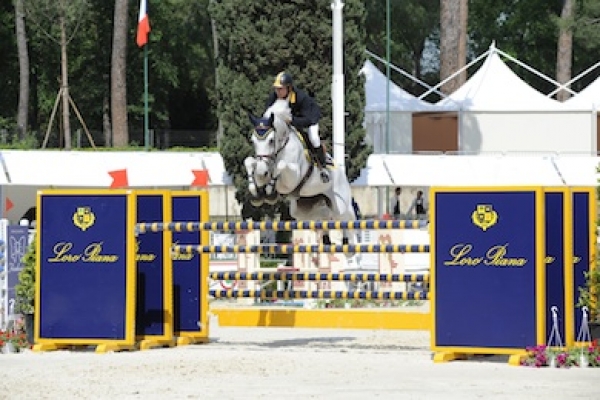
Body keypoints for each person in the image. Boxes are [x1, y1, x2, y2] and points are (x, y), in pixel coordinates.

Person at [264, 71, 332, 182]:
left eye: (280, 89)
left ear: (289, 88)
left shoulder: (301, 98)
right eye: (276, 88)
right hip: (290, 122)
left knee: (314, 138)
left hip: (309, 119)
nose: (278, 91)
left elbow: (307, 120)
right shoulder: (274, 97)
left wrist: (292, 120)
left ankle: (322, 166)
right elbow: (268, 114)